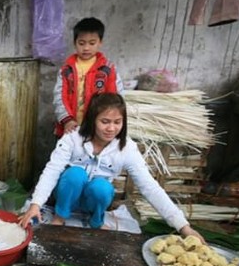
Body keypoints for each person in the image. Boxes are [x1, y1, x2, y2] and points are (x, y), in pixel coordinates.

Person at [19, 93, 204, 242]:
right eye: (105, 121)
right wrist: (35, 205)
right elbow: (52, 170)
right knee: (75, 174)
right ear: (92, 120)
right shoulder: (72, 139)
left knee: (102, 187)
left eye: (117, 122)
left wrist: (183, 226)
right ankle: (60, 217)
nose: (111, 128)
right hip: (66, 196)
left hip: (92, 202)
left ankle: (96, 221)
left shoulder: (126, 148)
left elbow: (150, 187)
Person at [54, 17, 124, 137]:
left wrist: (109, 123)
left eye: (92, 43)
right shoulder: (66, 69)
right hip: (71, 126)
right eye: (81, 43)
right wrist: (67, 120)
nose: (86, 48)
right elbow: (59, 97)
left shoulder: (108, 69)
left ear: (100, 43)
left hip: (98, 129)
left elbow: (117, 98)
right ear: (74, 43)